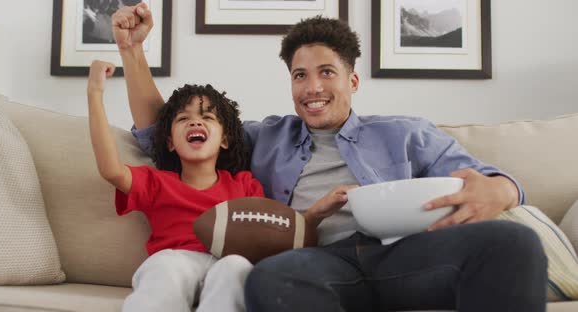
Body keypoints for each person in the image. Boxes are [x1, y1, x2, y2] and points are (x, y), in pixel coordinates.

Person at [111, 3, 548, 312]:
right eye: (300, 75)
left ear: (353, 80)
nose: (312, 87)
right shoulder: (264, 137)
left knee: (514, 242)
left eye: (326, 73)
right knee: (268, 279)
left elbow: (491, 180)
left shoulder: (405, 132)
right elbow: (164, 133)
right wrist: (133, 52)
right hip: (313, 262)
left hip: (403, 257)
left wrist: (500, 190)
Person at [87, 60, 264, 312]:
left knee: (237, 267)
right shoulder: (157, 182)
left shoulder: (244, 185)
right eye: (183, 118)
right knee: (166, 267)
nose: (195, 123)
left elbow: (265, 234)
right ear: (170, 142)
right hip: (176, 260)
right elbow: (111, 170)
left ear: (224, 139)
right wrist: (95, 93)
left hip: (225, 261)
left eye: (207, 117)